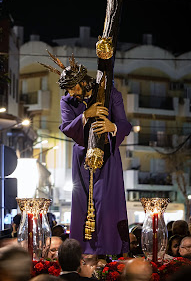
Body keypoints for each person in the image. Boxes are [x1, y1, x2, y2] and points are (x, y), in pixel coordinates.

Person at [56, 56, 131, 255]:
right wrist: (85, 115)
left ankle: (110, 250)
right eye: (68, 89)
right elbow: (66, 128)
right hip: (82, 158)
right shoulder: (67, 101)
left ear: (83, 81)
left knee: (107, 203)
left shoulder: (111, 94)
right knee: (82, 203)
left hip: (108, 157)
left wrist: (112, 126)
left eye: (74, 87)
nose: (71, 92)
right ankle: (84, 252)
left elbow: (125, 124)